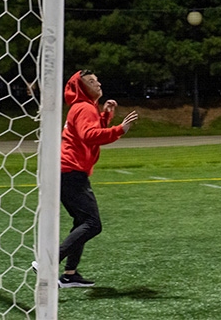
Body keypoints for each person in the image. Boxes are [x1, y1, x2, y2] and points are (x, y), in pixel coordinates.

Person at [57, 70, 138, 286]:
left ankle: (70, 274)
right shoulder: (84, 107)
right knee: (93, 224)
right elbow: (89, 136)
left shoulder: (84, 107)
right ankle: (50, 261)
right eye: (92, 82)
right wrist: (119, 129)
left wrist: (105, 116)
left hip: (68, 171)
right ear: (83, 88)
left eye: (97, 80)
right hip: (71, 171)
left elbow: (89, 132)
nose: (98, 83)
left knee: (82, 222)